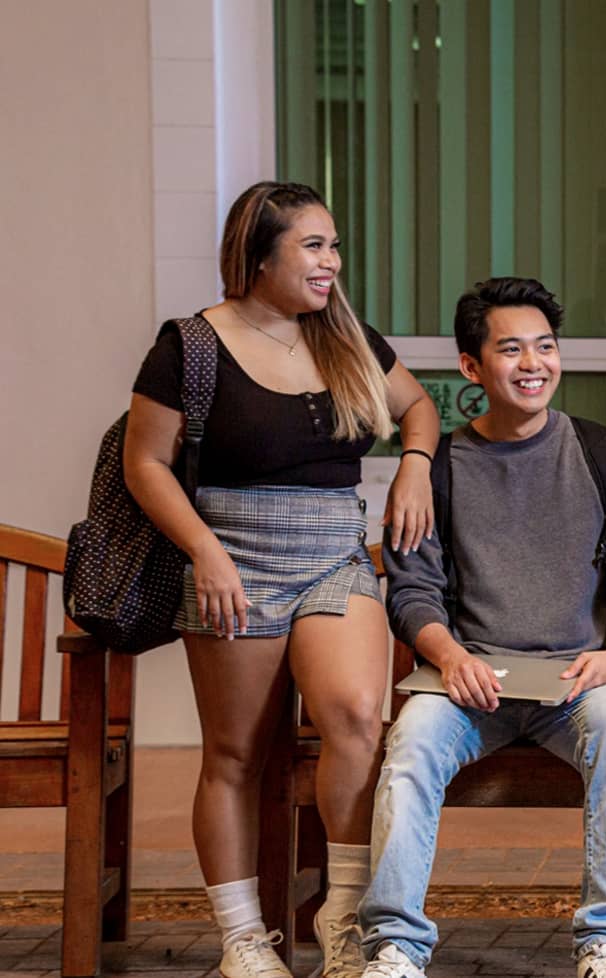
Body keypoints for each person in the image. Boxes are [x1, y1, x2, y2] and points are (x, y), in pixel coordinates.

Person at [124, 181, 440, 978]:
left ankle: (344, 916)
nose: (332, 261)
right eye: (313, 246)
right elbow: (145, 464)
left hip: (334, 553)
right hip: (232, 562)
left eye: (334, 245)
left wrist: (414, 467)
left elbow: (421, 408)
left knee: (358, 716)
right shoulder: (189, 347)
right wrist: (205, 550)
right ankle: (243, 940)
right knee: (236, 755)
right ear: (258, 255)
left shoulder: (346, 336)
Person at [356, 278, 606, 978]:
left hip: (581, 676)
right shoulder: (439, 471)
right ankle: (395, 946)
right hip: (468, 677)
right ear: (471, 367)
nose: (534, 363)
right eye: (511, 349)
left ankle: (605, 943)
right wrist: (451, 657)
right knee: (410, 748)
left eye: (545, 347)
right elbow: (413, 593)